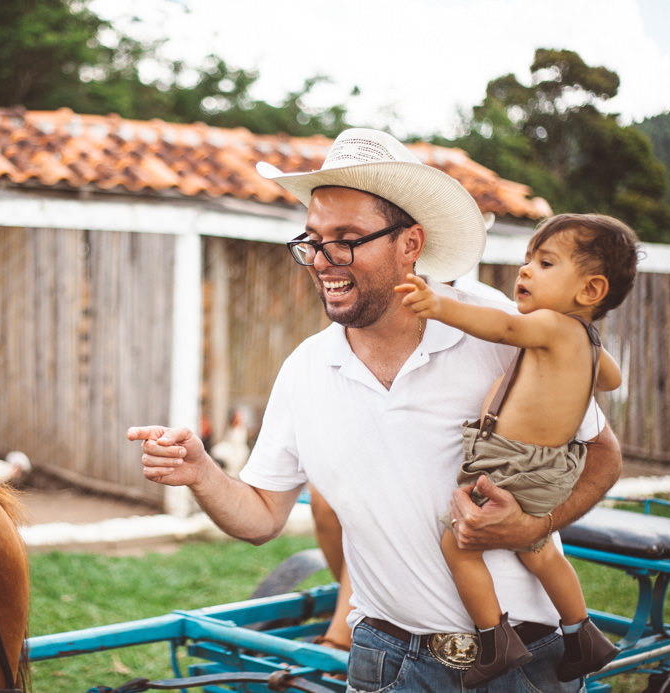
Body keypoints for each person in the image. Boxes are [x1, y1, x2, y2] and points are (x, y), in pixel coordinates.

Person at [127, 128, 623, 692]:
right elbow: (262, 515)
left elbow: (602, 456)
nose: (321, 261)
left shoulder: (501, 331)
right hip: (386, 661)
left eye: (346, 239)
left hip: (528, 664)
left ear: (410, 243)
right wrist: (201, 473)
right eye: (312, 240)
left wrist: (535, 524)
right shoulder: (307, 370)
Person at [395, 212, 638, 686]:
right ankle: (583, 632)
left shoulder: (551, 326)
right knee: (540, 552)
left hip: (514, 464)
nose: (524, 270)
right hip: (550, 467)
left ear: (589, 291)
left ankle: (494, 639)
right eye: (528, 260)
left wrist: (438, 305)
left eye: (544, 263)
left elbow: (504, 329)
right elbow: (613, 378)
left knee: (459, 542)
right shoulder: (587, 342)